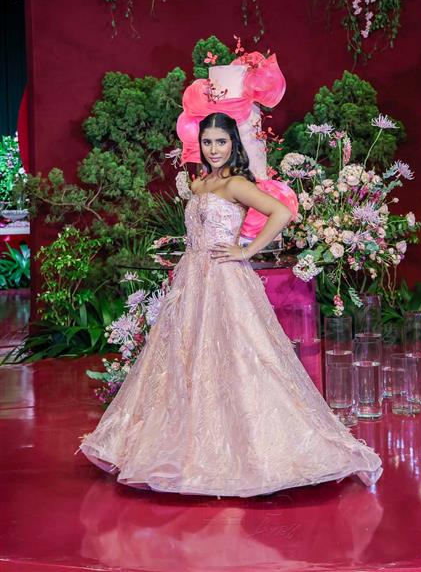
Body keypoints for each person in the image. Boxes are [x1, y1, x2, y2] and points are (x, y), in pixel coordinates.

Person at [79, 113, 382, 496]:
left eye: (221, 142)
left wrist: (247, 251)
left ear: (233, 144)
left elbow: (282, 212)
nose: (214, 149)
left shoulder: (236, 183)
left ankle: (248, 447)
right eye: (207, 142)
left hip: (224, 279)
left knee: (237, 357)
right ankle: (186, 445)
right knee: (186, 359)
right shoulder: (199, 183)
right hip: (192, 281)